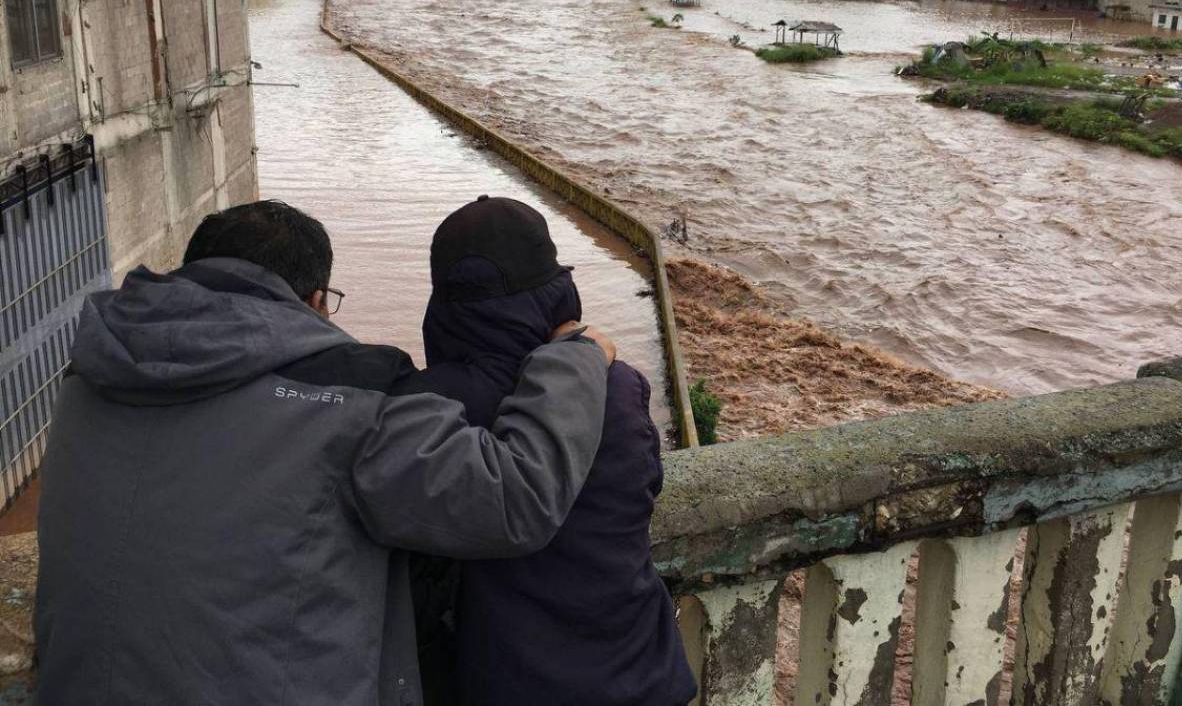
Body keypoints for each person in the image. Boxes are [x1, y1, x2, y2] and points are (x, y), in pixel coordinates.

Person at [34, 200, 615, 706]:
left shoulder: (91, 374)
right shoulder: (354, 395)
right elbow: (514, 498)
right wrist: (575, 357)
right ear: (315, 300)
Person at [411, 196, 696, 706]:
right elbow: (647, 485)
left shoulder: (426, 407)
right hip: (646, 674)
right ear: (557, 292)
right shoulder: (620, 384)